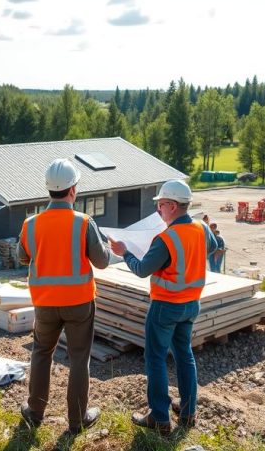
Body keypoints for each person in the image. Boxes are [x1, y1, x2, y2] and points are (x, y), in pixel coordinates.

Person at [108, 179, 217, 435]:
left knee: (155, 359)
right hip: (191, 305)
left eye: (160, 206)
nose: (158, 211)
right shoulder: (201, 228)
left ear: (171, 205)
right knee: (184, 355)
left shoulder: (165, 238)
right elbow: (212, 246)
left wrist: (124, 252)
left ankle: (159, 417)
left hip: (165, 307)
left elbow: (142, 269)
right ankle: (189, 412)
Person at [18, 158, 111, 434]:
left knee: (41, 352)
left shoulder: (30, 223)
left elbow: (24, 256)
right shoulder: (84, 222)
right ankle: (77, 420)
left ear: (49, 190)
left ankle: (34, 412)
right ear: (73, 190)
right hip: (79, 302)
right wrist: (104, 244)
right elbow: (102, 261)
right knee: (79, 358)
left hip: (44, 302)